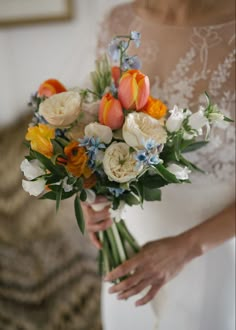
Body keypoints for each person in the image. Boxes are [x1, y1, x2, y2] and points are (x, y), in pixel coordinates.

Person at [83, 0, 236, 329]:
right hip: (125, 252)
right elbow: (100, 127)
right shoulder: (118, 22)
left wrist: (186, 248)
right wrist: (92, 193)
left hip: (212, 256)